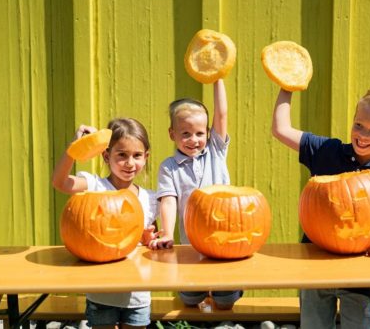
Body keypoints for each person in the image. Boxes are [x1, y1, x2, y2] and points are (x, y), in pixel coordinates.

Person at [272, 88, 370, 329]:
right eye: (359, 125)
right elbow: (281, 129)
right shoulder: (327, 151)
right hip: (316, 266)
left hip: (361, 271)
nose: (363, 134)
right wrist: (287, 87)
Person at [52, 117, 158, 329]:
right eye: (122, 155)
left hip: (136, 293)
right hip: (101, 294)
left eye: (137, 156)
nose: (130, 163)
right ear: (107, 155)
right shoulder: (94, 185)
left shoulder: (151, 198)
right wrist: (75, 149)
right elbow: (60, 182)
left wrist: (148, 239)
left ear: (146, 157)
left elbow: (144, 242)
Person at [150, 79, 243, 310]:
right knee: (190, 300)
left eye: (200, 133)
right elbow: (169, 200)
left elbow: (222, 114)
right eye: (186, 133)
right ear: (172, 134)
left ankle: (225, 320)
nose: (194, 140)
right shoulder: (169, 167)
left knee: (225, 301)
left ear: (209, 132)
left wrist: (217, 78)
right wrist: (167, 233)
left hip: (224, 241)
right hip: (190, 243)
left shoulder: (215, 151)